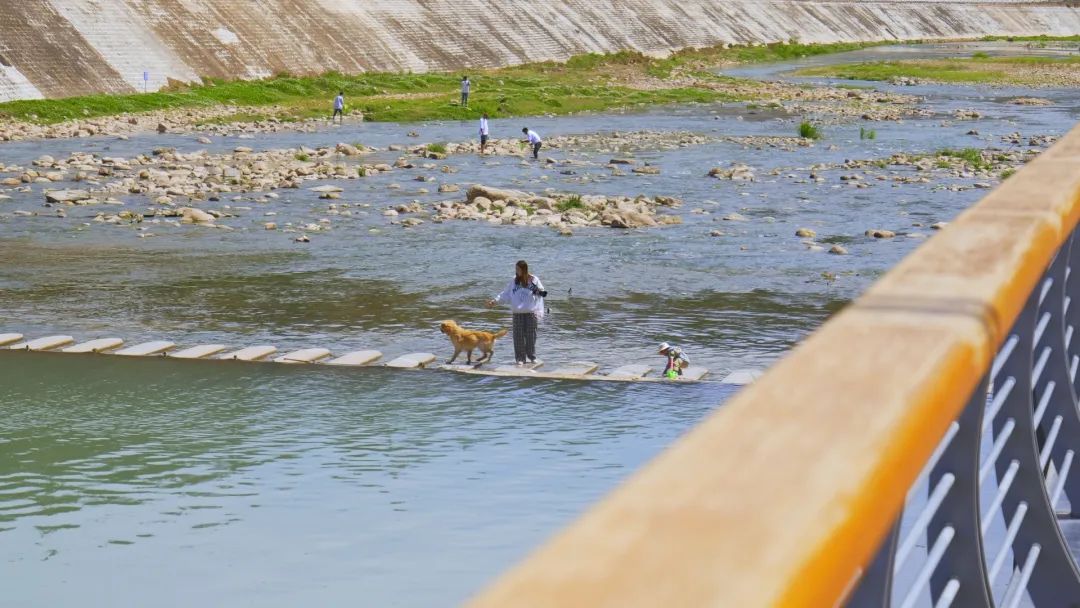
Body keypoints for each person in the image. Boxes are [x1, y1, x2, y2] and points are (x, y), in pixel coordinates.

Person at [487, 260, 547, 365]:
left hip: (531, 313)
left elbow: (541, 291)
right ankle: (520, 359)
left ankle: (531, 356)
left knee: (531, 336)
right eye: (516, 269)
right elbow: (505, 294)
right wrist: (495, 301)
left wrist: (539, 291)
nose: (516, 271)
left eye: (518, 269)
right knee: (518, 337)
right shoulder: (514, 281)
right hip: (517, 313)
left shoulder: (534, 279)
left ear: (524, 269)